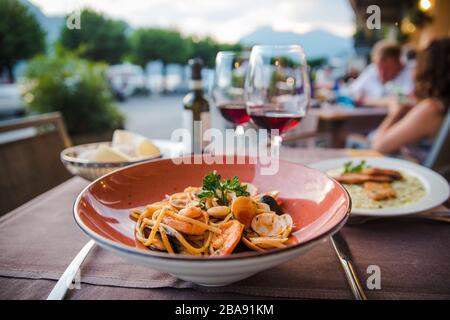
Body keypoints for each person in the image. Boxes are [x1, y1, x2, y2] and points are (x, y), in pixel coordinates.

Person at [371, 38, 450, 160]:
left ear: (428, 69)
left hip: (413, 170)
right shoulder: (443, 106)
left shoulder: (431, 109)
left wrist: (395, 113)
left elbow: (379, 145)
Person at [348, 40, 415, 107]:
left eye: (387, 69)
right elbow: (352, 91)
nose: (382, 74)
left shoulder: (412, 70)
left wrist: (366, 100)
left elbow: (404, 100)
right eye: (379, 68)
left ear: (398, 62)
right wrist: (358, 95)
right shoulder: (372, 69)